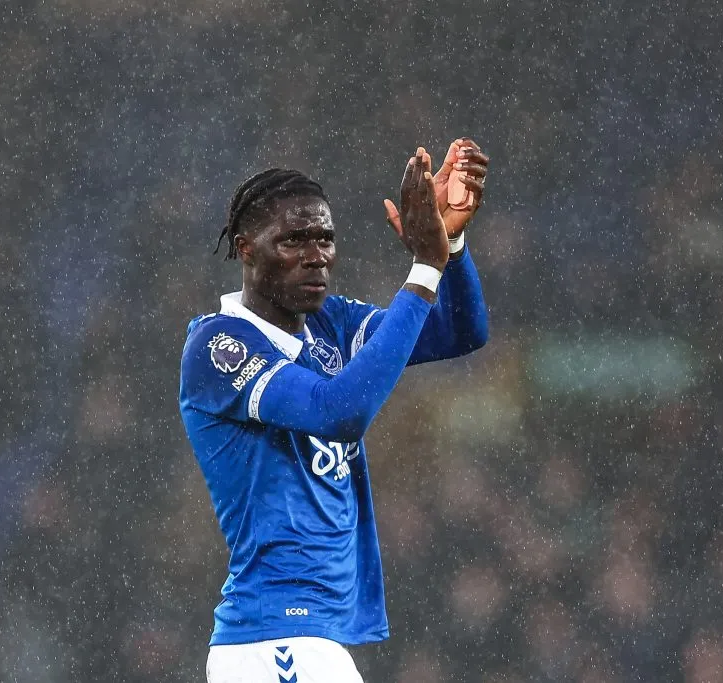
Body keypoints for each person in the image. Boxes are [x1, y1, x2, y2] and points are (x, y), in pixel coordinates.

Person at [179, 139, 490, 682]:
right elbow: (338, 411)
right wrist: (423, 267)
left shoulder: (332, 326)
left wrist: (452, 245)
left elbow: (460, 331)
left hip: (307, 640)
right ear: (247, 249)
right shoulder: (220, 345)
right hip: (274, 636)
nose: (315, 254)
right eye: (293, 241)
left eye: (324, 239)